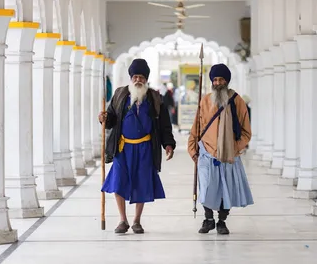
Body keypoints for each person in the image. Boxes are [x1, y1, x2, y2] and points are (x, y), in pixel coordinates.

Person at [98, 58, 176, 234]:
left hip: (145, 148)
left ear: (146, 79)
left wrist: (168, 144)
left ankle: (136, 221)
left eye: (141, 77)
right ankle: (122, 220)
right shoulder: (119, 94)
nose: (138, 80)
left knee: (142, 183)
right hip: (123, 147)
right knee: (118, 182)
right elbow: (111, 119)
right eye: (135, 77)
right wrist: (104, 119)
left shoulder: (156, 98)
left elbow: (164, 125)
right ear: (131, 78)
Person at [188, 63, 254, 235]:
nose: (218, 83)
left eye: (221, 79)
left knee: (226, 189)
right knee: (207, 187)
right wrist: (192, 148)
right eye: (215, 80)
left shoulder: (237, 101)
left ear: (227, 81)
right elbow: (196, 127)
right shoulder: (205, 101)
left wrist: (233, 148)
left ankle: (222, 222)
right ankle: (208, 219)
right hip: (206, 152)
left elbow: (246, 132)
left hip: (228, 155)